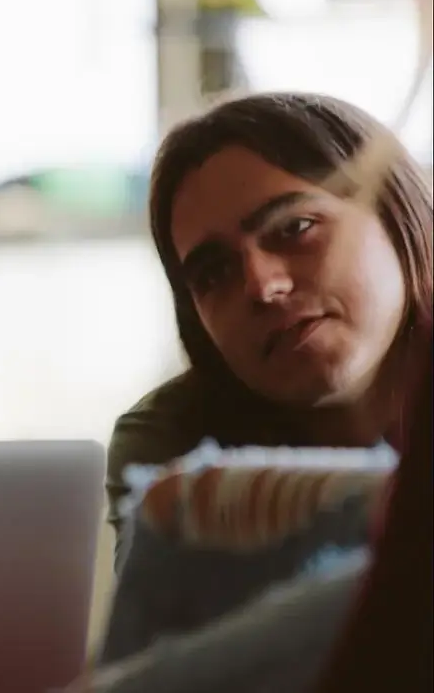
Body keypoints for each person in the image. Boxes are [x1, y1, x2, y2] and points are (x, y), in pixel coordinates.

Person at [104, 93, 432, 558]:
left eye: (295, 228)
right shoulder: (173, 445)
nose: (262, 286)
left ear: (396, 214)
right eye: (213, 274)